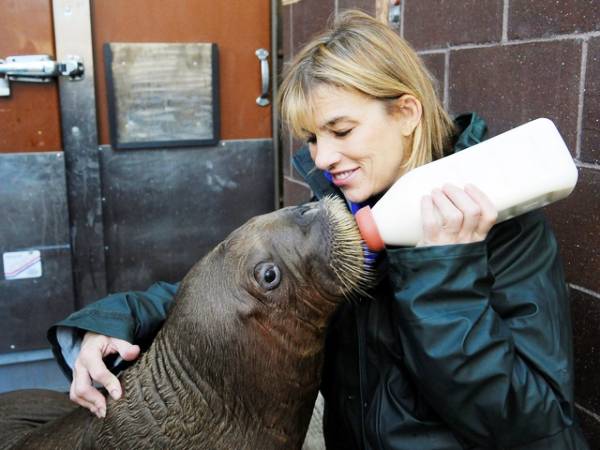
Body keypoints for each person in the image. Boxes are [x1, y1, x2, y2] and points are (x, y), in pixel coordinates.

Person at [47, 10, 589, 449]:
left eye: (341, 129)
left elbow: (533, 424)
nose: (324, 157)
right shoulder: (346, 206)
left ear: (406, 112)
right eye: (311, 137)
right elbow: (232, 289)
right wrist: (108, 323)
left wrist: (446, 273)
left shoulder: (508, 232)